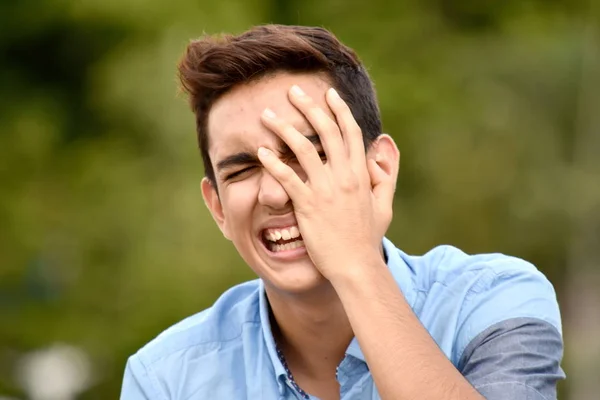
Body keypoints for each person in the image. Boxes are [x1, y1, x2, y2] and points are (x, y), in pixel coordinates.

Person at [120, 25, 564, 400]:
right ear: (217, 206)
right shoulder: (166, 379)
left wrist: (356, 264)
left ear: (379, 170)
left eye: (308, 154)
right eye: (243, 170)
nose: (276, 192)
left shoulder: (493, 300)